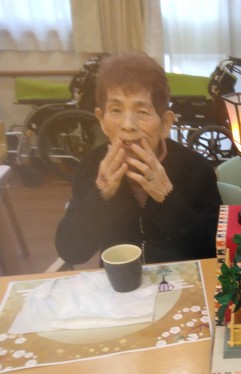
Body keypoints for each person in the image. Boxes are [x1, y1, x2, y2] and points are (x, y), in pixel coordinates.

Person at [55, 53, 221, 265]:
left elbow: (216, 247)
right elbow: (71, 252)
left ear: (165, 124)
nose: (128, 125)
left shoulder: (195, 168)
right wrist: (100, 195)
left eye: (142, 111)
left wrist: (167, 198)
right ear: (102, 120)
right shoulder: (91, 167)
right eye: (116, 110)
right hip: (120, 281)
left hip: (180, 278)